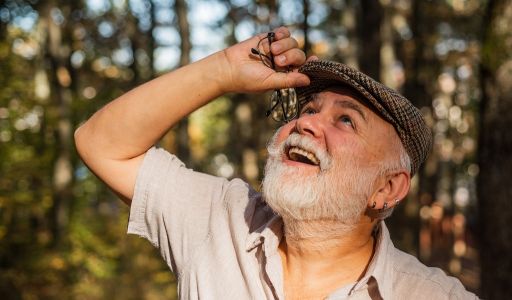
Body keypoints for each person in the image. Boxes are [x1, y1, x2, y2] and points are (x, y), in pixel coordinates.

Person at [75, 27, 478, 299]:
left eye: (345, 120)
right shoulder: (221, 219)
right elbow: (100, 145)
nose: (304, 122)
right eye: (309, 109)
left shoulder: (430, 294)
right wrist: (223, 71)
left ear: (387, 188)